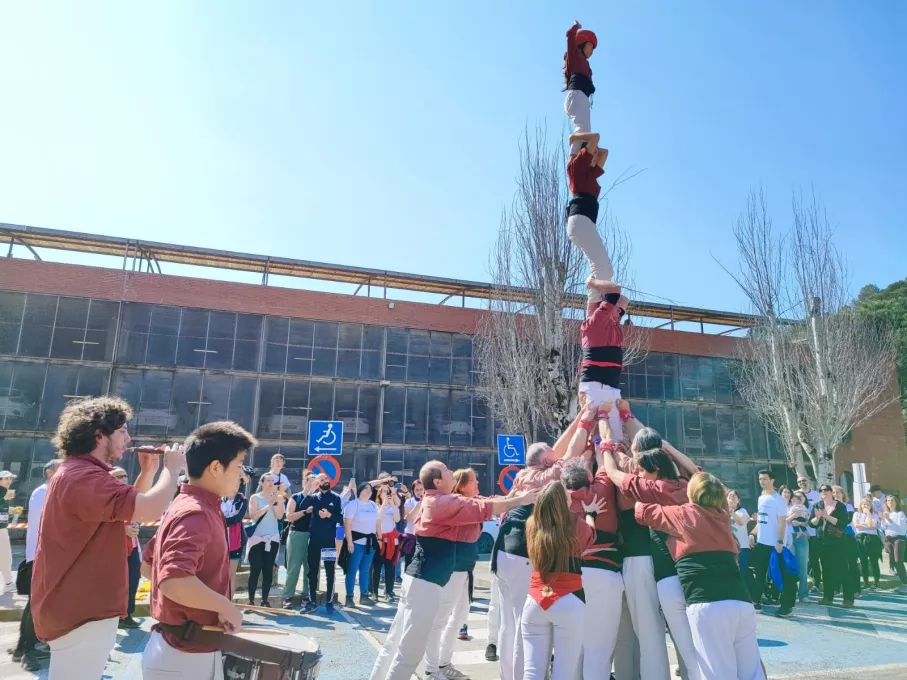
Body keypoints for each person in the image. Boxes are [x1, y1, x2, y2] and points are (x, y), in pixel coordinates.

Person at [31, 396, 184, 680]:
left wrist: (149, 471)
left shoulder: (79, 472)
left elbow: (130, 512)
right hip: (81, 611)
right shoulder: (86, 477)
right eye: (123, 430)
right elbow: (151, 508)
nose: (129, 437)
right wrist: (172, 470)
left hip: (76, 608)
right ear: (99, 435)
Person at [369, 460, 537, 680]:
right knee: (408, 652)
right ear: (438, 481)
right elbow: (485, 507)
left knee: (396, 642)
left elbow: (483, 501)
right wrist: (522, 500)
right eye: (447, 471)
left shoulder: (440, 500)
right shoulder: (441, 502)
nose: (451, 473)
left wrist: (512, 496)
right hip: (425, 583)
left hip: (422, 580)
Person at [141, 421, 253, 679]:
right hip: (183, 654)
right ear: (216, 467)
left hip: (182, 648)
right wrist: (224, 607)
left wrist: (205, 605)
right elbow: (173, 581)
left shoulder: (189, 504)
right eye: (237, 466)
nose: (241, 473)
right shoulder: (196, 513)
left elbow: (149, 567)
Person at [635, 472, 766, 680]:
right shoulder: (723, 517)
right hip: (741, 603)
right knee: (751, 673)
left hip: (708, 605)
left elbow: (641, 511)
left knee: (717, 673)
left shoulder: (682, 514)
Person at [600, 422, 702, 680]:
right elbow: (695, 470)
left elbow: (614, 470)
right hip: (674, 560)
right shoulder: (682, 482)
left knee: (648, 634)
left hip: (638, 557)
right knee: (683, 632)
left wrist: (608, 444)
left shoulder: (639, 476)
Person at [521, 481, 603, 680]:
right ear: (563, 503)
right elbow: (591, 535)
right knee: (564, 672)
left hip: (535, 600)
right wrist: (591, 514)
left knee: (532, 672)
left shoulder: (532, 524)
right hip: (569, 599)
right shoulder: (576, 524)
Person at [562, 448, 623, 680]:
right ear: (589, 477)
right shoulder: (603, 489)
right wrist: (597, 447)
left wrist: (582, 457)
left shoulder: (561, 500)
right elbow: (604, 465)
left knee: (574, 647)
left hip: (571, 576)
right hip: (604, 573)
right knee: (599, 648)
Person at [424, 468, 484, 679]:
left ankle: (443, 663)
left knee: (460, 617)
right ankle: (431, 668)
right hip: (452, 569)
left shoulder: (472, 503)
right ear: (462, 484)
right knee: (440, 619)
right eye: (474, 480)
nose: (478, 483)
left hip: (466, 569)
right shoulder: (456, 505)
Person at [10, 459, 61, 672]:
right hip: (41, 559)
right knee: (36, 606)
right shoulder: (44, 493)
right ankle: (28, 651)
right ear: (49, 472)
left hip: (47, 557)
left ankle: (24, 647)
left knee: (37, 605)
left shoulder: (49, 491)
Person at [578, 281, 629, 443]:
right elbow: (615, 290)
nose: (620, 314)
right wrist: (593, 284)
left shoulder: (612, 326)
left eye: (622, 312)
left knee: (613, 439)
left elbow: (623, 300)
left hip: (609, 387)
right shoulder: (596, 323)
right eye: (617, 310)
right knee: (602, 439)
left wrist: (607, 300)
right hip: (597, 386)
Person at [566, 131, 611, 293]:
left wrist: (597, 151)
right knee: (602, 268)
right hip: (580, 220)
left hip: (585, 222)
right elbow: (596, 136)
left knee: (606, 270)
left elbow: (605, 152)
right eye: (593, 153)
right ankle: (595, 307)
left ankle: (594, 302)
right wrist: (575, 139)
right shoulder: (577, 168)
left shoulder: (590, 174)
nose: (596, 156)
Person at [748, 469, 797, 617]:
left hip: (776, 545)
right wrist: (752, 534)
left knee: (783, 575)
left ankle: (787, 607)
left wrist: (780, 542)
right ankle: (755, 602)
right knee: (760, 573)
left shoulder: (779, 500)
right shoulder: (761, 498)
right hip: (762, 543)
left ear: (772, 480)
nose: (762, 481)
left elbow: (782, 523)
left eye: (764, 479)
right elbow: (761, 521)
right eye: (760, 479)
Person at [300, 472, 343, 613]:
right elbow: (302, 506)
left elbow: (340, 519)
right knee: (312, 572)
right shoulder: (314, 497)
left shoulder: (335, 498)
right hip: (314, 540)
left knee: (330, 571)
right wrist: (311, 489)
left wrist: (329, 515)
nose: (325, 480)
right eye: (321, 479)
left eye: (326, 478)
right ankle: (312, 601)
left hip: (329, 541)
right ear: (318, 482)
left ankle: (329, 602)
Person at [810, 484, 854, 607]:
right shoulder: (817, 505)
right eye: (821, 490)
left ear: (831, 492)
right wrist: (818, 518)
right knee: (826, 570)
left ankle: (848, 598)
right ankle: (827, 596)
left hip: (838, 542)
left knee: (843, 570)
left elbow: (842, 524)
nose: (823, 492)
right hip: (822, 542)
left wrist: (826, 516)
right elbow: (811, 523)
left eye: (826, 490)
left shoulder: (840, 506)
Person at [110, 466, 143, 629]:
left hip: (133, 546)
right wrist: (122, 530)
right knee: (116, 583)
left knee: (133, 578)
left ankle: (127, 614)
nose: (122, 479)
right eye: (118, 476)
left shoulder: (130, 496)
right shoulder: (107, 497)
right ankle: (113, 615)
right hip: (115, 549)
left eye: (124, 476)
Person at [246, 472, 285, 607]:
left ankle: (265, 600)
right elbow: (253, 515)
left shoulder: (278, 498)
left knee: (268, 569)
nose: (270, 483)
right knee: (255, 570)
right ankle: (251, 600)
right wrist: (268, 504)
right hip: (257, 538)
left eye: (272, 480)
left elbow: (280, 516)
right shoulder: (255, 497)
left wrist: (276, 502)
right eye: (267, 480)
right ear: (261, 483)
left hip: (272, 537)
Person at [343, 482, 380, 607]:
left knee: (365, 570)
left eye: (370, 489)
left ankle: (364, 595)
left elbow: (377, 523)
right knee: (352, 570)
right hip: (356, 542)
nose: (368, 491)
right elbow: (347, 524)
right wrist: (349, 542)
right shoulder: (353, 504)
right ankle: (349, 597)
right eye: (365, 488)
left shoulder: (374, 505)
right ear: (359, 490)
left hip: (370, 543)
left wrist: (379, 539)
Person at [564, 20, 598, 155]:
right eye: (590, 45)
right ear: (582, 44)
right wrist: (576, 27)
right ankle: (572, 161)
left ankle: (582, 160)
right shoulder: (575, 55)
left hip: (580, 98)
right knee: (582, 130)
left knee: (586, 135)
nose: (592, 50)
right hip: (577, 96)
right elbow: (570, 36)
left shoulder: (585, 64)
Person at [282, 471, 315, 609]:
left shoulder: (318, 498)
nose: (313, 483)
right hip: (297, 534)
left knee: (310, 568)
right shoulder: (296, 497)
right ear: (304, 481)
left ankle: (306, 596)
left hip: (312, 535)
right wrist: (306, 511)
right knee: (293, 566)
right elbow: (289, 516)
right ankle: (288, 596)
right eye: (310, 480)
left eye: (315, 481)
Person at [221, 467, 250, 598]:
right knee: (220, 573)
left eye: (237, 483)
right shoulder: (219, 499)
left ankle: (229, 601)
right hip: (219, 540)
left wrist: (221, 520)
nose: (235, 485)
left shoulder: (242, 500)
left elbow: (237, 518)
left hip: (235, 540)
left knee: (231, 573)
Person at [375, 483, 402, 602]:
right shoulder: (376, 506)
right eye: (384, 491)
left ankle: (389, 590)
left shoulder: (393, 507)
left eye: (388, 491)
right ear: (379, 494)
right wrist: (384, 504)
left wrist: (392, 505)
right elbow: (378, 519)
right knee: (376, 566)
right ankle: (374, 591)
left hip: (391, 539)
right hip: (379, 539)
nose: (387, 494)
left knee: (390, 566)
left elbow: (397, 519)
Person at [727, 489, 756, 602]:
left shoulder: (742, 511)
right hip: (728, 547)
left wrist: (731, 512)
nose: (732, 497)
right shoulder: (722, 511)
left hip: (742, 547)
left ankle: (752, 595)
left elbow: (740, 522)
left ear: (739, 500)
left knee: (743, 571)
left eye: (735, 495)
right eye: (730, 495)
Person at [833, 485, 860, 598]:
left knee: (851, 564)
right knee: (835, 564)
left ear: (843, 494)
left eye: (838, 492)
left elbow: (846, 520)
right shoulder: (829, 506)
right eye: (833, 492)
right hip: (833, 538)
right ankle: (836, 587)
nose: (836, 494)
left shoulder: (848, 506)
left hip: (847, 537)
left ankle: (855, 589)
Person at [797, 475, 822, 593]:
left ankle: (816, 583)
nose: (802, 483)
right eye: (800, 481)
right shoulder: (795, 494)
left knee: (814, 559)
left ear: (809, 482)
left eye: (804, 480)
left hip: (813, 533)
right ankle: (802, 583)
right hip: (799, 533)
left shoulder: (816, 496)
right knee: (801, 560)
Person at [853, 497, 883, 590]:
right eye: (864, 504)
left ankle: (876, 582)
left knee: (874, 561)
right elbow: (857, 525)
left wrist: (869, 514)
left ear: (871, 506)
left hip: (872, 539)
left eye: (868, 504)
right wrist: (866, 526)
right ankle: (866, 582)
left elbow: (872, 526)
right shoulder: (857, 514)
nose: (865, 506)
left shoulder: (874, 515)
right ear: (860, 505)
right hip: (861, 538)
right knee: (863, 561)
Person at [880, 495, 907, 592]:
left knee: (898, 560)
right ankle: (902, 580)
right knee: (893, 561)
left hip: (899, 539)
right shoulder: (887, 513)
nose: (890, 502)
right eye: (888, 501)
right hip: (889, 539)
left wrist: (888, 519)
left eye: (892, 501)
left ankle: (905, 582)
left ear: (896, 502)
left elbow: (900, 528)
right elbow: (884, 527)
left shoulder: (900, 514)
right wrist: (883, 519)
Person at [788, 491, 811, 602]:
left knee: (803, 566)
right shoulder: (785, 507)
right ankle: (790, 593)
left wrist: (800, 523)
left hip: (801, 537)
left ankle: (803, 594)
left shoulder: (804, 508)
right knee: (789, 566)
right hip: (788, 538)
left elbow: (807, 522)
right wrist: (793, 516)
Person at [401, 479, 424, 569]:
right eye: (416, 490)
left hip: (423, 536)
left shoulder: (429, 501)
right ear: (413, 491)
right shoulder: (409, 501)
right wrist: (418, 506)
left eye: (421, 489)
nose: (419, 492)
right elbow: (407, 518)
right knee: (409, 562)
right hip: (411, 535)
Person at [0, 470, 16, 591]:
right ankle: (8, 583)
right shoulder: (4, 493)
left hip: (2, 528)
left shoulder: (5, 492)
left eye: (10, 478)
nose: (9, 481)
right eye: (6, 478)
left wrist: (11, 510)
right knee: (5, 556)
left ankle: (8, 583)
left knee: (6, 556)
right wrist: (4, 499)